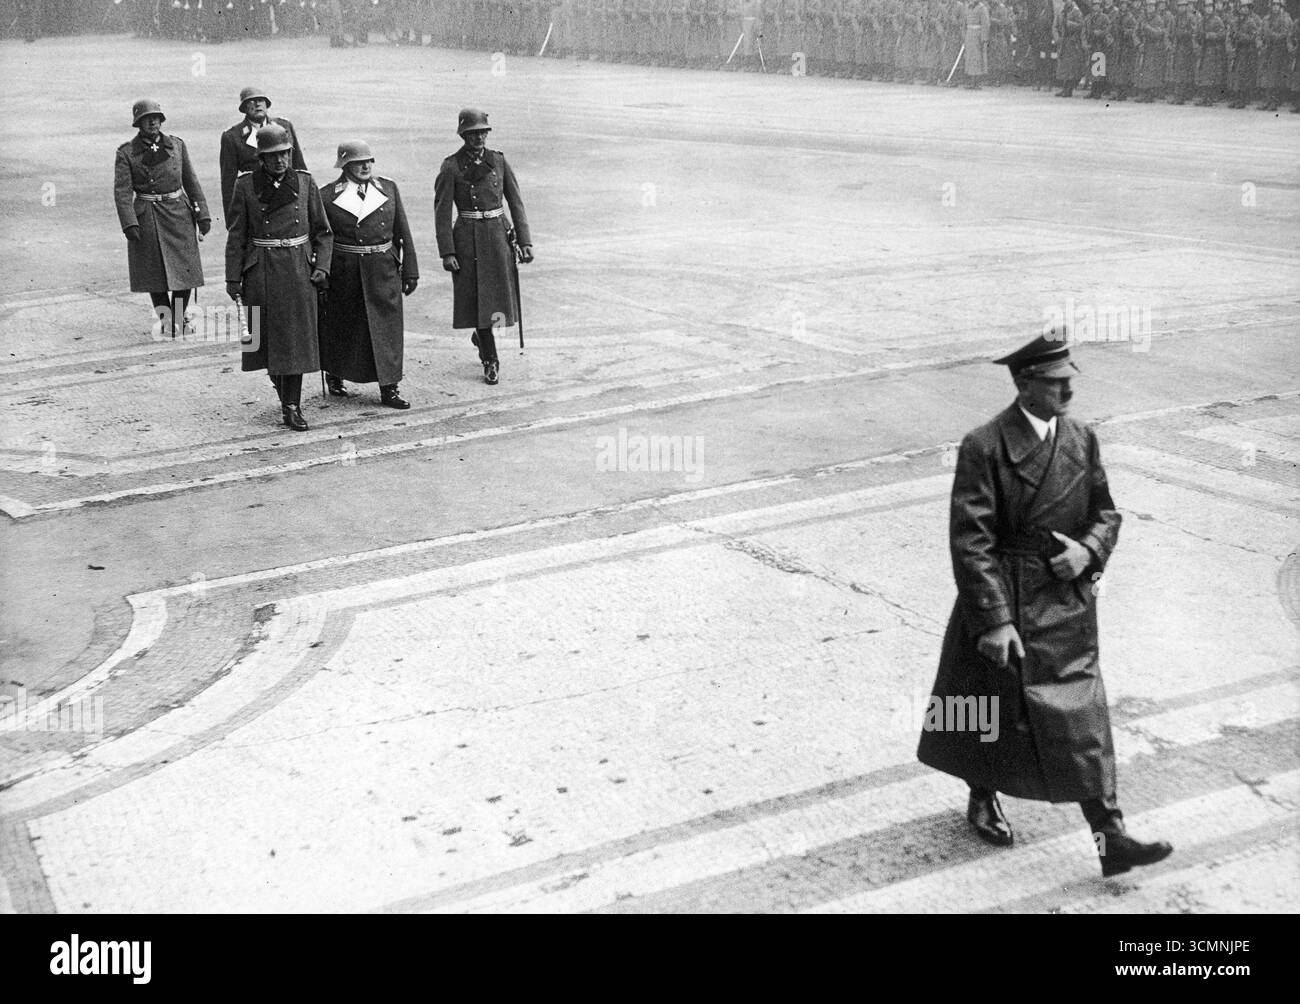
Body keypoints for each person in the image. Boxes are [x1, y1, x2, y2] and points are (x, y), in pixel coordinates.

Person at [917, 333, 1174, 879]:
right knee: (989, 709)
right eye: (1056, 382)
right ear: (1023, 382)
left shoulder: (1082, 439)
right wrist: (994, 620)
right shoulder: (984, 445)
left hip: (1064, 605)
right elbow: (971, 540)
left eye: (1070, 380)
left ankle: (1111, 837)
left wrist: (1088, 551)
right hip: (1006, 600)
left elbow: (1106, 512)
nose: (1068, 391)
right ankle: (982, 795)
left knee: (1080, 718)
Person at [225, 124, 333, 431]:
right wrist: (233, 278)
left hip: (299, 270)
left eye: (285, 154)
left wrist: (322, 267)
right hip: (261, 271)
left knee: (295, 343)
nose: (280, 161)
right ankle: (284, 392)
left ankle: (291, 405)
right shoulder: (246, 187)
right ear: (260, 158)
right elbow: (237, 235)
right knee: (268, 343)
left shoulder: (306, 183)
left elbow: (324, 232)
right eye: (273, 156)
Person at [434, 109, 533, 387]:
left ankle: (482, 336)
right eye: (473, 133)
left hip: (498, 236)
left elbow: (516, 202)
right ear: (463, 135)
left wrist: (525, 242)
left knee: (498, 302)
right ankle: (490, 359)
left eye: (483, 131)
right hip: (468, 240)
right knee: (479, 301)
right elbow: (442, 212)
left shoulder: (499, 162)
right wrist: (448, 252)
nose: (479, 137)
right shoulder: (451, 166)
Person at [318, 140, 419, 408]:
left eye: (368, 161)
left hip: (383, 270)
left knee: (387, 330)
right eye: (357, 162)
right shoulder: (326, 196)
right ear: (345, 165)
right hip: (345, 273)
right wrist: (322, 273)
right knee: (344, 326)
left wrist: (411, 270)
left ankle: (390, 387)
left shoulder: (388, 188)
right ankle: (335, 373)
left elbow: (403, 232)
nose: (365, 166)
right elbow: (322, 238)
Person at [114, 99, 212, 340]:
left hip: (179, 213)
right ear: (138, 123)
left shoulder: (177, 146)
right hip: (148, 215)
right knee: (153, 274)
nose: (153, 121)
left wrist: (203, 215)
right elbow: (122, 191)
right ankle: (166, 320)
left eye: (157, 117)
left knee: (186, 270)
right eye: (147, 118)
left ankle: (178, 318)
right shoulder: (126, 153)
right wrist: (130, 223)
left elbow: (191, 181)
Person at [219, 86, 308, 218]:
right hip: (258, 204)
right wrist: (232, 220)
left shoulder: (284, 127)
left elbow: (299, 167)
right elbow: (229, 184)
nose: (257, 104)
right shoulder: (232, 137)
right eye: (251, 101)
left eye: (261, 100)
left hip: (289, 199)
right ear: (244, 108)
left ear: (267, 104)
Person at [1055, 0, 1086, 95]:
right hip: (1064, 42)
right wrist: (1057, 38)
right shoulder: (1061, 11)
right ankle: (1065, 88)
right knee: (1064, 66)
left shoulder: (1077, 12)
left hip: (1073, 42)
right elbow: (1056, 26)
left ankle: (1069, 89)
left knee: (1072, 67)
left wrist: (1070, 24)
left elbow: (1082, 25)